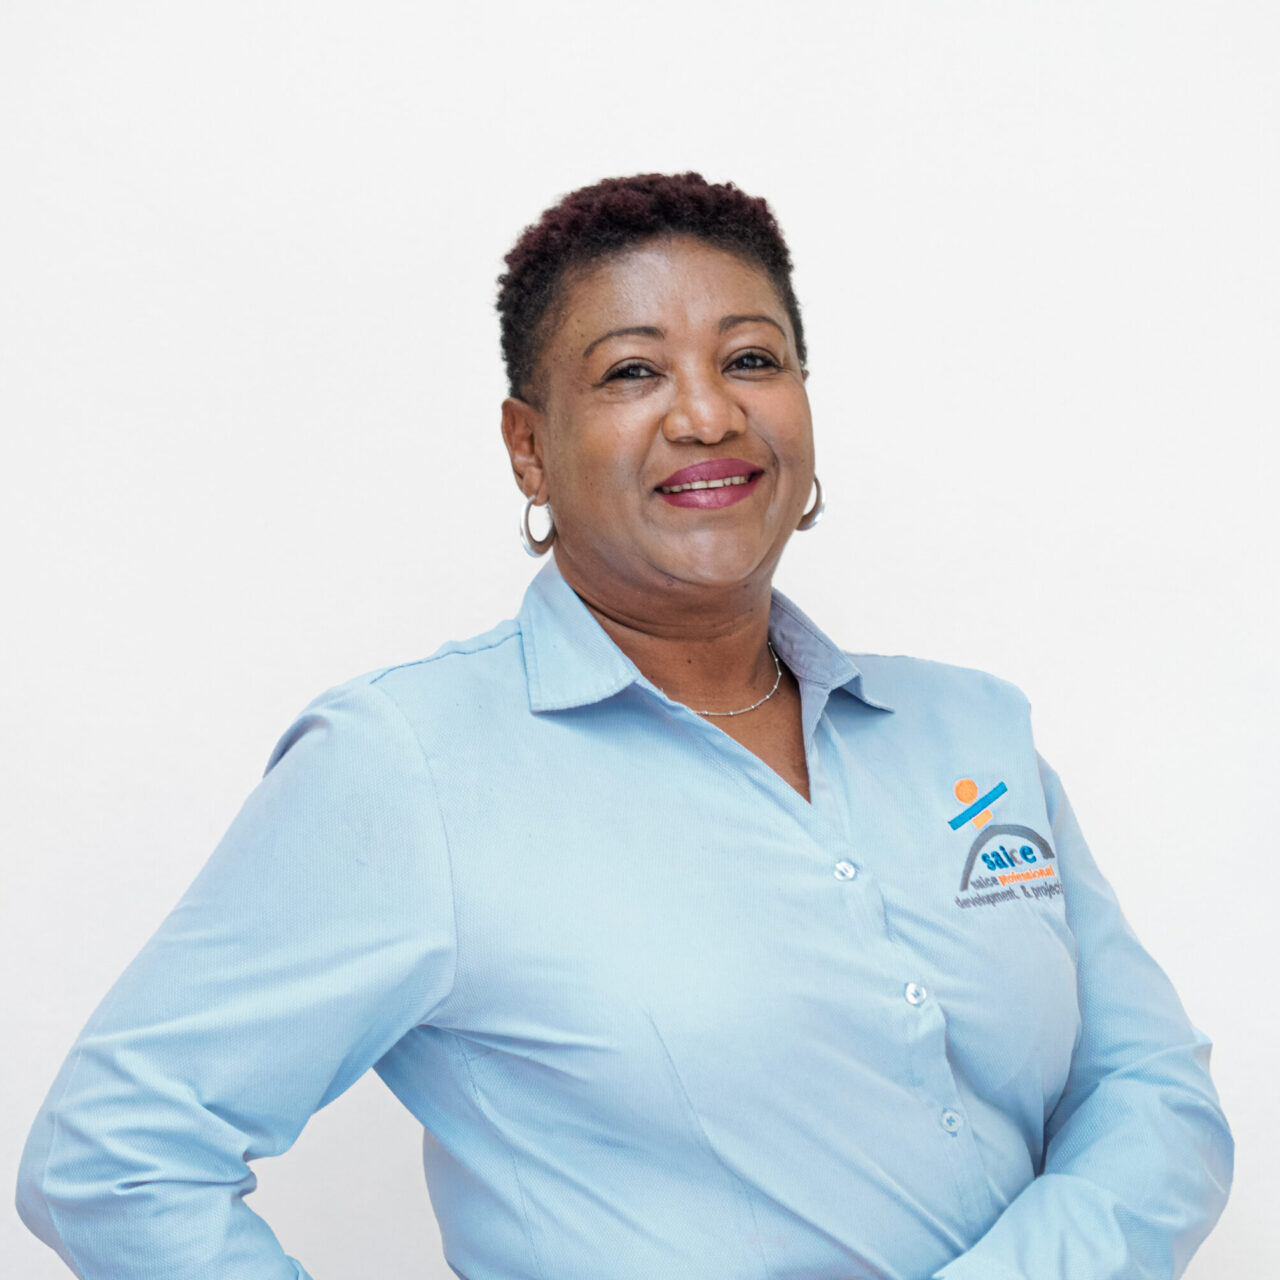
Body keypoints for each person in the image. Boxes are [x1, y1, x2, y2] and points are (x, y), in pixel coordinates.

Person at [16, 172, 1232, 1280]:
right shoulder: (408, 764)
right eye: (631, 372)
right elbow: (115, 1155)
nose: (705, 414)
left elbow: (1149, 1088)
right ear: (528, 447)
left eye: (750, 359)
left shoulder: (968, 727)